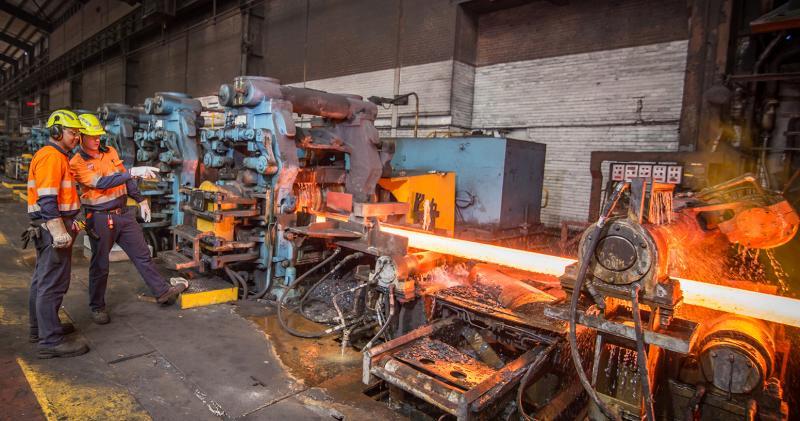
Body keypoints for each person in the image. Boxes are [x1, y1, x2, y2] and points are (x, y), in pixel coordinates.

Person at [69, 113, 187, 324]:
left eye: (99, 135)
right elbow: (102, 182)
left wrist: (140, 200)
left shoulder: (110, 151)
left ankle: (161, 292)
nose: (97, 139)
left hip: (123, 214)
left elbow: (124, 178)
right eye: (93, 136)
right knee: (100, 264)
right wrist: (134, 171)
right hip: (99, 218)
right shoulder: (77, 162)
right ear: (81, 137)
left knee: (142, 255)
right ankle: (97, 307)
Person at [26, 109, 89, 358]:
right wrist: (57, 229)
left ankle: (39, 329)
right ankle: (50, 341)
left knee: (42, 280)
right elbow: (48, 198)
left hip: (49, 226)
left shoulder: (57, 156)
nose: (76, 138)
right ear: (56, 132)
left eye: (78, 134)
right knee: (53, 283)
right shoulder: (51, 157)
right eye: (72, 133)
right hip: (52, 227)